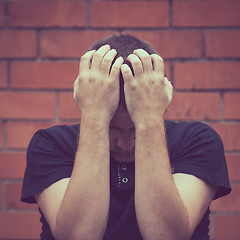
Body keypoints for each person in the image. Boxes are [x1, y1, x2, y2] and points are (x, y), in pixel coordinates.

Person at [21, 33, 231, 240]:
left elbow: (166, 235)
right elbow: (79, 235)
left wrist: (148, 116)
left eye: (134, 129)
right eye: (112, 129)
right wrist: (94, 116)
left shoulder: (197, 141)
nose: (126, 144)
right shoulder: (51, 144)